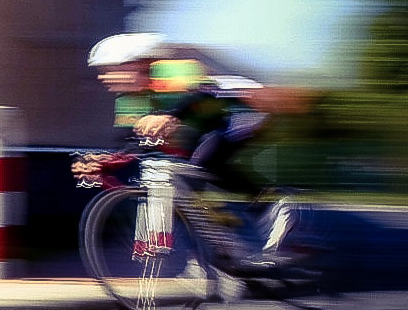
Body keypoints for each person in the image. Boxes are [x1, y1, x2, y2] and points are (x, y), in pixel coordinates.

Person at [79, 32, 294, 270]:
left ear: (135, 64)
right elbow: (132, 144)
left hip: (239, 109)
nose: (103, 77)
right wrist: (103, 162)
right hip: (203, 126)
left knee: (203, 164)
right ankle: (222, 245)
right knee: (179, 180)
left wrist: (170, 115)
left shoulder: (168, 71)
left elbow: (203, 91)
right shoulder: (127, 100)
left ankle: (274, 203)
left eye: (109, 70)